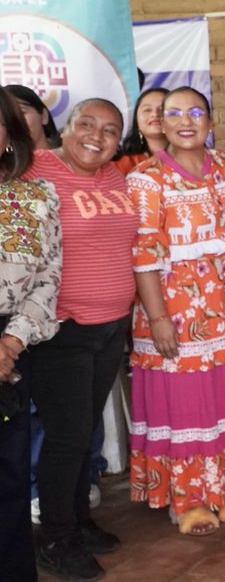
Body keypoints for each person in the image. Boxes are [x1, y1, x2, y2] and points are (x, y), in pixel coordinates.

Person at [127, 87, 225, 537]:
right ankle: (187, 500)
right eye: (174, 113)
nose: (186, 120)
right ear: (160, 123)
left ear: (210, 120)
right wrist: (157, 320)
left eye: (196, 111)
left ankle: (221, 489)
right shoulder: (147, 178)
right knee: (187, 406)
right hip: (177, 313)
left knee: (223, 399)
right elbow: (142, 253)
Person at [21, 99, 136, 580]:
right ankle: (56, 537)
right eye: (87, 124)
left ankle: (78, 519)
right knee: (67, 437)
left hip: (110, 325)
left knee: (85, 429)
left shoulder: (116, 178)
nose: (97, 136)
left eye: (110, 130)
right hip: (60, 330)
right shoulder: (35, 171)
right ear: (64, 129)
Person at [0, 88, 62, 582]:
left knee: (10, 483)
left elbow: (47, 278)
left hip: (10, 352)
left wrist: (11, 342)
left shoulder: (34, 197)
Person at [114, 88, 169, 174]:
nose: (155, 114)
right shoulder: (123, 164)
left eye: (163, 109)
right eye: (147, 110)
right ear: (136, 121)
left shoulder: (194, 160)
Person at [3, 84, 59, 149]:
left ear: (44, 116)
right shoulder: (4, 158)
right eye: (6, 117)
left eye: (21, 113)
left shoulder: (68, 154)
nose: (15, 122)